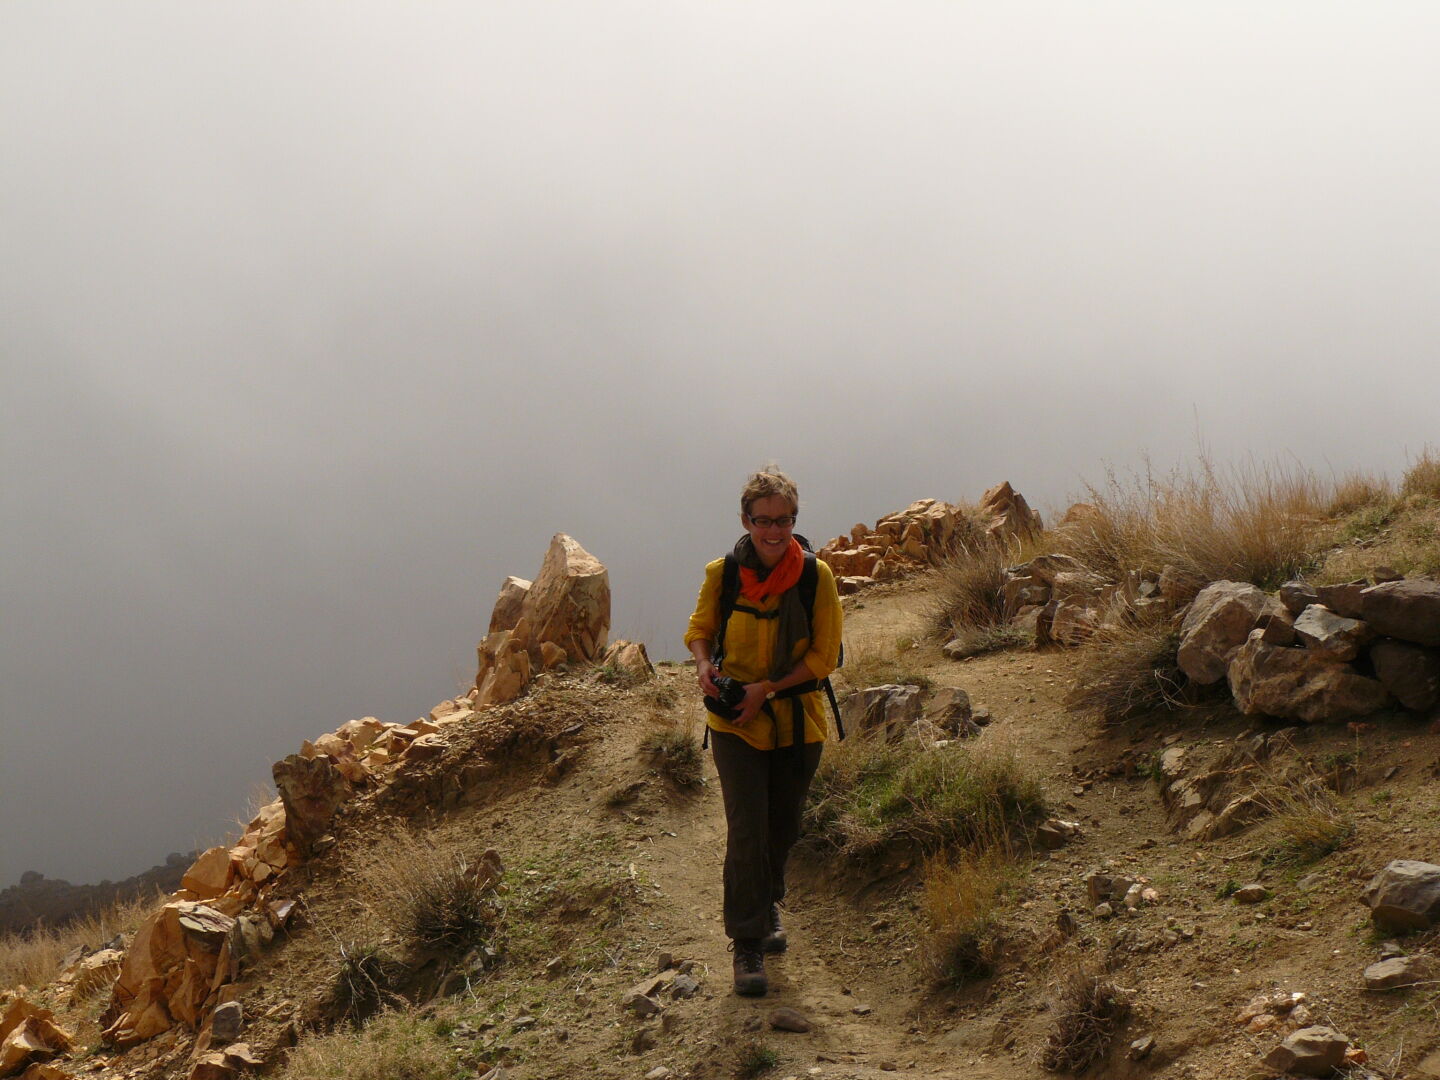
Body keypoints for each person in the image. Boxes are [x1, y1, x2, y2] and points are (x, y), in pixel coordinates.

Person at [684, 466, 843, 996]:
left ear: (794, 519)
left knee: (784, 825)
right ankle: (747, 944)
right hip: (735, 727)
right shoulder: (722, 574)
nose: (774, 531)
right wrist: (706, 668)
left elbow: (824, 658)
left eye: (784, 520)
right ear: (746, 520)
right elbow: (699, 632)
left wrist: (765, 690)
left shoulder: (817, 578)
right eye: (763, 520)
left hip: (797, 724)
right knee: (748, 829)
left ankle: (769, 900)